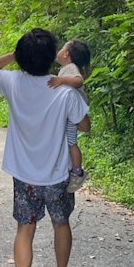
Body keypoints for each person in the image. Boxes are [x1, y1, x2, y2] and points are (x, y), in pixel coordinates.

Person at [0, 28, 91, 267]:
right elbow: (84, 126)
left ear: (22, 58)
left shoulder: (12, 81)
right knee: (61, 223)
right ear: (51, 57)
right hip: (56, 174)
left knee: (25, 228)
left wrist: (16, 56)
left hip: (24, 175)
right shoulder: (65, 90)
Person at [48, 40, 91, 193]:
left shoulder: (70, 68)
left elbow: (79, 81)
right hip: (70, 111)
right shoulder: (65, 69)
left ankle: (77, 172)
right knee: (68, 140)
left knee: (71, 142)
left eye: (62, 48)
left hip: (74, 112)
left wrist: (61, 80)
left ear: (66, 53)